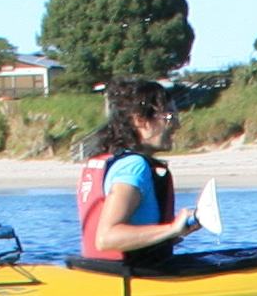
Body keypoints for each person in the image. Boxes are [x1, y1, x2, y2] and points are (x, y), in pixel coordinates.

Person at [73, 81, 211, 269]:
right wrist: (171, 229)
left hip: (104, 272)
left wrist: (176, 232)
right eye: (169, 116)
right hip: (128, 277)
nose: (177, 124)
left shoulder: (110, 161)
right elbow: (106, 238)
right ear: (139, 120)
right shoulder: (133, 167)